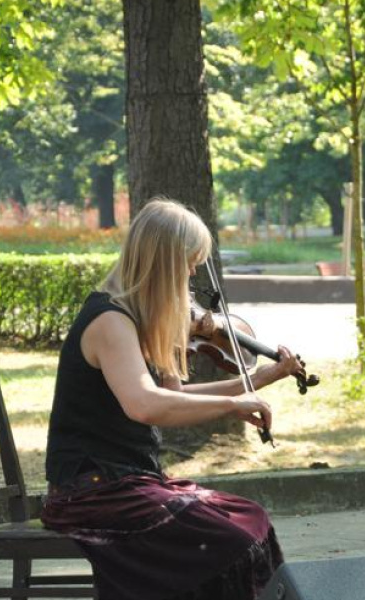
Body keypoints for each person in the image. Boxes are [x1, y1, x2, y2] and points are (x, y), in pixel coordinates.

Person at [42, 199, 301, 600]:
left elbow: (172, 397)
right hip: (93, 492)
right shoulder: (110, 320)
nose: (194, 272)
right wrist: (233, 405)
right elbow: (145, 405)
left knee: (252, 519)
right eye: (189, 262)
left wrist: (259, 379)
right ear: (165, 261)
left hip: (129, 482)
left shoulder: (136, 319)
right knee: (230, 540)